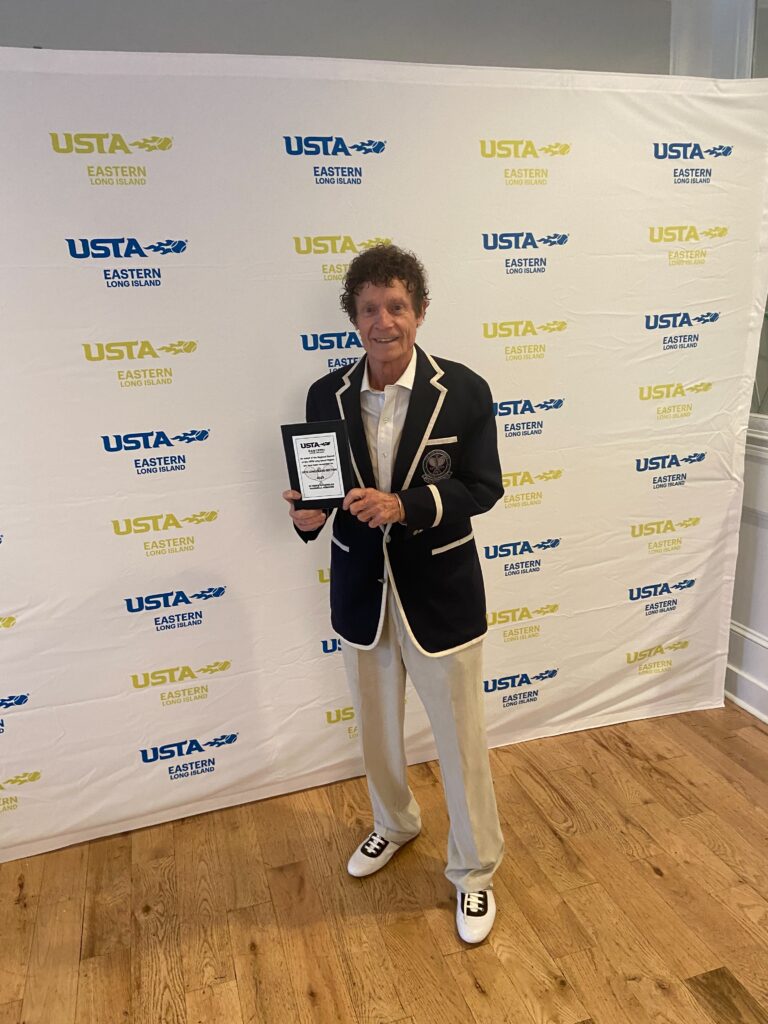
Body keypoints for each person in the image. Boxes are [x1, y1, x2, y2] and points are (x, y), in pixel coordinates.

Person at [282, 244, 504, 943]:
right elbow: (316, 496)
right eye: (370, 308)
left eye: (397, 306)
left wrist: (406, 505)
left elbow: (483, 488)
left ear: (420, 311)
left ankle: (473, 872)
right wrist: (304, 518)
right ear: (353, 317)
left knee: (461, 742)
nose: (384, 321)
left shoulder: (464, 390)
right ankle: (394, 824)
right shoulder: (326, 394)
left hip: (440, 595)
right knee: (376, 735)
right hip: (362, 594)